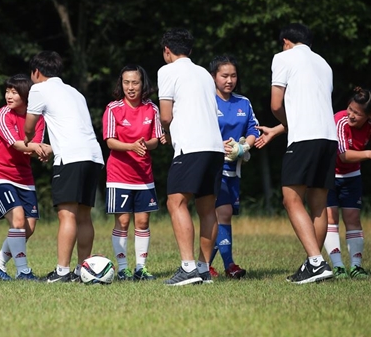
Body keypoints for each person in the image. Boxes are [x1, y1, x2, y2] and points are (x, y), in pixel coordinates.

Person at [255, 23, 336, 284]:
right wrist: (279, 130)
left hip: (304, 139)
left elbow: (276, 103)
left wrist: (286, 123)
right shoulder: (324, 63)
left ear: (286, 41)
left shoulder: (283, 57)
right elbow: (313, 105)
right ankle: (314, 264)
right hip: (328, 137)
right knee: (318, 204)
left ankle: (316, 262)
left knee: (291, 199)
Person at [23, 51, 104, 283]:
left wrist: (30, 142)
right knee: (84, 216)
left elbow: (30, 127)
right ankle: (83, 270)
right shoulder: (75, 92)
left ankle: (61, 271)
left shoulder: (39, 89)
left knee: (66, 214)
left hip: (71, 158)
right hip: (93, 156)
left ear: (36, 72)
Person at [157, 28, 224, 286]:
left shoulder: (167, 71)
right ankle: (204, 269)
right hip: (214, 147)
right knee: (207, 208)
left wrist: (166, 132)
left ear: (167, 50)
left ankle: (187, 269)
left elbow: (165, 115)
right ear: (191, 50)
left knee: (176, 203)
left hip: (191, 147)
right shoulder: (205, 75)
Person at [0, 74, 52, 281]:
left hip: (24, 177)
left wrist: (42, 151)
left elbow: (32, 149)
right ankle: (23, 272)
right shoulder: (2, 115)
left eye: (14, 92)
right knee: (18, 221)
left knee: (28, 228)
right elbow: (17, 144)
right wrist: (43, 148)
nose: (8, 96)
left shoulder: (38, 118)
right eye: (7, 91)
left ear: (26, 95)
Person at [102, 64, 163, 281]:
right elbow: (109, 141)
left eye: (134, 82)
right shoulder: (113, 109)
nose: (130, 87)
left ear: (142, 83)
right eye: (126, 82)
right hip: (119, 176)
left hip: (144, 176)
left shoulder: (152, 109)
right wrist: (131, 146)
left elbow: (156, 140)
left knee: (143, 222)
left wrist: (145, 144)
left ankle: (140, 268)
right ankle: (123, 268)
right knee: (123, 222)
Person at [323, 87, 371, 279]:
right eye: (350, 109)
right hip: (329, 175)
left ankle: (356, 266)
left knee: (353, 219)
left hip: (352, 177)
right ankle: (338, 266)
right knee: (330, 219)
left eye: (357, 113)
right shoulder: (340, 120)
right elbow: (343, 155)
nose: (350, 115)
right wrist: (370, 154)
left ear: (370, 115)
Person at [207, 55, 259, 279]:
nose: (229, 80)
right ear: (213, 77)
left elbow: (254, 130)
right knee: (223, 214)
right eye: (224, 75)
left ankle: (204, 265)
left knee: (222, 216)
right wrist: (218, 146)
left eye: (233, 75)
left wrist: (242, 148)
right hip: (211, 167)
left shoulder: (243, 102)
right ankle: (229, 265)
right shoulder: (206, 102)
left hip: (233, 168)